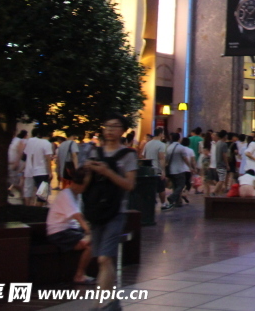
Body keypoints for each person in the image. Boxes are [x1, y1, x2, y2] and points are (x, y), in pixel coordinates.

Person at [83, 112, 137, 310]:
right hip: (96, 211)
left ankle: (98, 305)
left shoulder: (128, 155)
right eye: (107, 126)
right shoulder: (94, 153)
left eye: (114, 126)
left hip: (116, 211)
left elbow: (130, 185)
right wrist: (87, 170)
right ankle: (112, 300)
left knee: (105, 257)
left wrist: (108, 172)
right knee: (102, 260)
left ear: (123, 131)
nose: (110, 130)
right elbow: (85, 185)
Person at [46, 166, 95, 284]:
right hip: (59, 232)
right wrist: (89, 232)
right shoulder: (66, 195)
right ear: (82, 184)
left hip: (68, 229)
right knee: (91, 244)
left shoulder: (76, 195)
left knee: (94, 239)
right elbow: (79, 217)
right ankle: (79, 275)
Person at [24, 127, 54, 206]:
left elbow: (26, 154)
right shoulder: (46, 143)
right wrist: (50, 172)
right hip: (42, 171)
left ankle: (28, 210)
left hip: (29, 171)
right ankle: (37, 211)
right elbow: (48, 158)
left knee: (28, 192)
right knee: (42, 194)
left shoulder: (30, 141)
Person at [141, 127, 169, 211]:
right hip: (157, 169)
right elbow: (161, 158)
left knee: (150, 188)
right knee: (161, 188)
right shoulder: (161, 145)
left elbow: (143, 156)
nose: (163, 135)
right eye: (163, 133)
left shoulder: (147, 144)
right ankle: (163, 204)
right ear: (160, 134)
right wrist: (163, 171)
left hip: (149, 169)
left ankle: (149, 204)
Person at [164, 134, 195, 207]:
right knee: (181, 185)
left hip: (171, 170)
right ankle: (172, 197)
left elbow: (166, 160)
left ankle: (178, 202)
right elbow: (185, 158)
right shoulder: (181, 148)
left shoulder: (169, 148)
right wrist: (190, 167)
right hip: (180, 170)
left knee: (175, 186)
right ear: (179, 139)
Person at [8, 129, 28, 200]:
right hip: (8, 164)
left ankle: (22, 195)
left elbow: (20, 152)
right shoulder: (8, 141)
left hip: (14, 164)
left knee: (16, 181)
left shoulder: (18, 141)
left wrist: (17, 162)